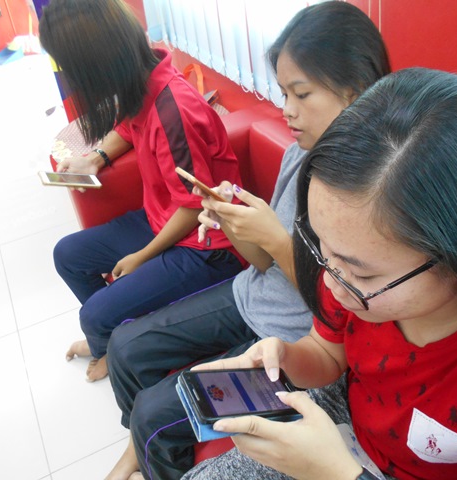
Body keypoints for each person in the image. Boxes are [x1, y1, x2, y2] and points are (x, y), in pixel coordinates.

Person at [182, 67, 457, 480]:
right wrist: (287, 358)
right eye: (321, 247)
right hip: (349, 429)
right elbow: (328, 353)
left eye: (361, 275)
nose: (329, 281)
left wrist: (338, 474)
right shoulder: (349, 280)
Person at [104, 2, 391, 479]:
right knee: (125, 347)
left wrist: (276, 240)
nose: (287, 110)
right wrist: (233, 221)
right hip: (252, 296)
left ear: (355, 91)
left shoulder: (370, 187)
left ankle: (145, 444)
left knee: (154, 416)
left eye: (301, 94)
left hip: (294, 332)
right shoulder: (301, 151)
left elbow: (341, 307)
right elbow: (261, 262)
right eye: (283, 93)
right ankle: (138, 445)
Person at [38, 0, 245, 382]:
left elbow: (196, 206)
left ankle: (109, 342)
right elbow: (128, 128)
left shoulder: (173, 111)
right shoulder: (143, 82)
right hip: (164, 219)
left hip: (207, 244)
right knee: (68, 255)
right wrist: (96, 158)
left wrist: (142, 258)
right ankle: (109, 338)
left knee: (94, 315)